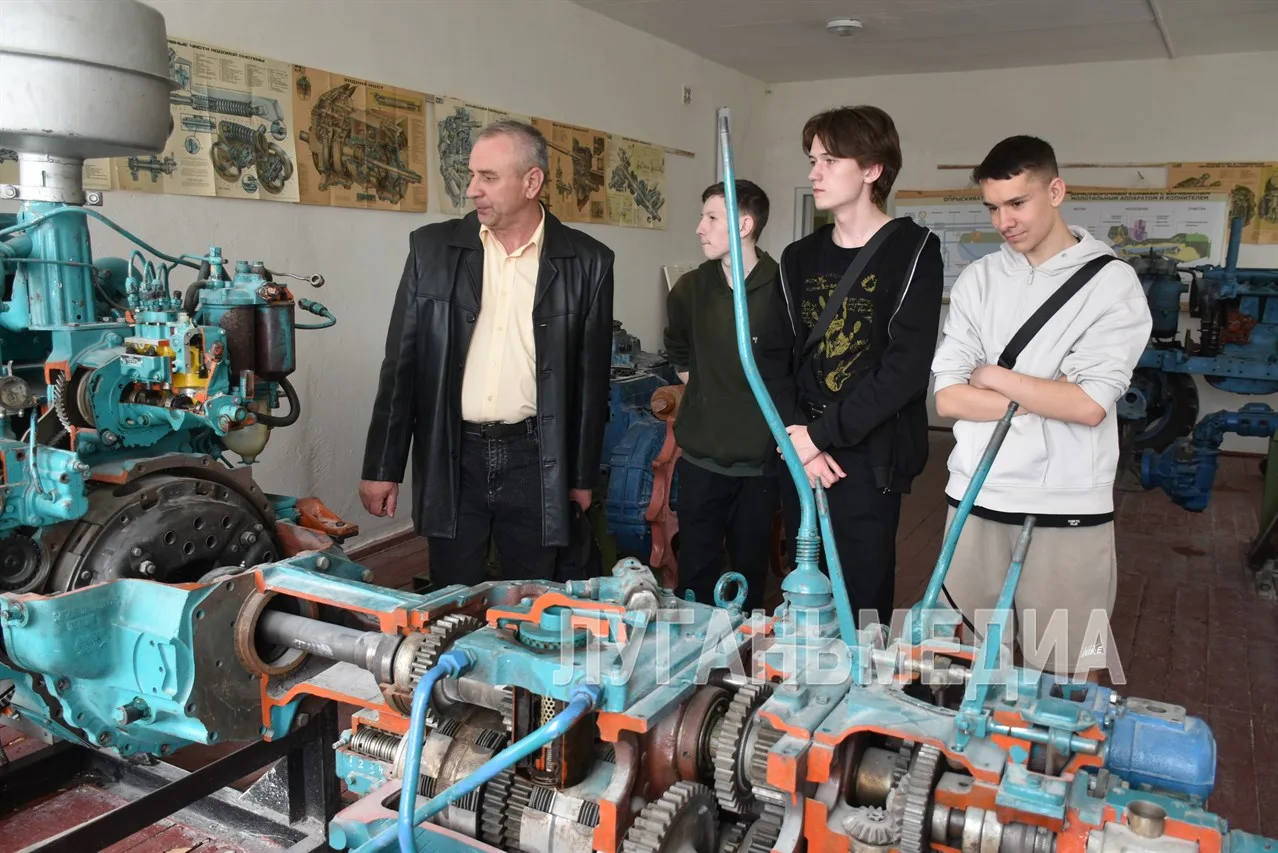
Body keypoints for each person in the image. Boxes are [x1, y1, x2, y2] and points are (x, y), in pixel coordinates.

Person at [930, 135, 1152, 680]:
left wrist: (992, 375)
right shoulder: (979, 279)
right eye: (992, 207)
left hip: (1066, 503)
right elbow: (948, 397)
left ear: (1055, 191)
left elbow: (1088, 405)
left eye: (1017, 203)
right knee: (964, 668)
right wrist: (1041, 393)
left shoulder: (1111, 283)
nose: (1004, 221)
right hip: (975, 494)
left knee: (1064, 674)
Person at [359, 119, 615, 587]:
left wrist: (580, 480)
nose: (472, 189)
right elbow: (401, 367)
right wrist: (382, 467)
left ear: (531, 182)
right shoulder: (431, 251)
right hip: (453, 453)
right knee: (452, 597)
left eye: (489, 177)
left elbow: (590, 384)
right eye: (472, 175)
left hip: (537, 457)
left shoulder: (588, 262)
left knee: (531, 599)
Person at [758, 106, 944, 629]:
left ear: (872, 170)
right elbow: (772, 356)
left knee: (860, 598)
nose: (814, 173)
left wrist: (819, 437)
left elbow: (904, 371)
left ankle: (861, 681)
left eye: (830, 161)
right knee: (804, 590)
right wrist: (798, 436)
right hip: (799, 447)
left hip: (867, 456)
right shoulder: (798, 256)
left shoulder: (914, 251)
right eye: (813, 160)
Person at [663, 180, 780, 614]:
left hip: (760, 463)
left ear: (744, 225)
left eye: (712, 218)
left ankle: (742, 649)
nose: (700, 227)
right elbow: (677, 348)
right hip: (702, 459)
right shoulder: (690, 289)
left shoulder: (783, 288)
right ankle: (692, 649)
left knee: (749, 573)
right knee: (696, 570)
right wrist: (709, 391)